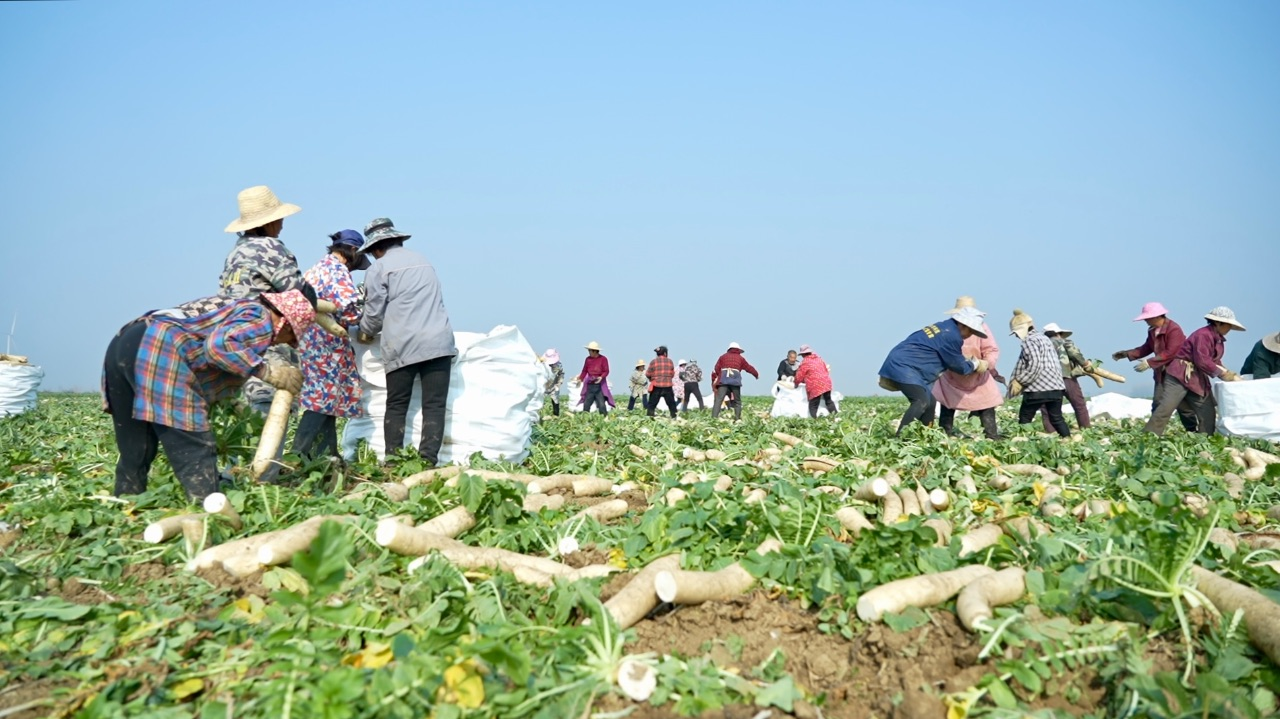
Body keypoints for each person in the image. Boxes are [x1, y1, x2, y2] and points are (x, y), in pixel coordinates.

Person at [102, 290, 313, 502]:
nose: (281, 344)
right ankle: (209, 510)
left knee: (137, 445)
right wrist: (268, 372)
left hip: (126, 342)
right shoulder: (261, 317)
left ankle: (126, 506)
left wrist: (233, 401)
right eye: (291, 338)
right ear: (285, 323)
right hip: (161, 348)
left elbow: (208, 354)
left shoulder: (237, 309)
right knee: (194, 446)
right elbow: (218, 347)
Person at [356, 218, 457, 466]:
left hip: (404, 344)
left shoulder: (378, 269)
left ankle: (393, 461)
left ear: (376, 249)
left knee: (397, 404)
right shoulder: (424, 261)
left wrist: (364, 332)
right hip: (438, 342)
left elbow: (374, 314)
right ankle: (428, 460)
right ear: (398, 239)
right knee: (434, 405)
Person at [215, 185, 313, 414]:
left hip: (239, 344)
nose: (281, 224)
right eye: (279, 219)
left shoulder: (234, 254)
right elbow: (296, 292)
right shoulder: (270, 248)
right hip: (270, 337)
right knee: (276, 407)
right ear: (268, 223)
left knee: (255, 409)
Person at [292, 231, 369, 461]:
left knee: (327, 399)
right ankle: (298, 453)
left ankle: (327, 455)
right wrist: (365, 315)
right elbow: (350, 309)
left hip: (309, 341)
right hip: (327, 343)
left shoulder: (315, 269)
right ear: (352, 252)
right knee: (322, 399)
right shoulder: (338, 271)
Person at [878, 307, 989, 436]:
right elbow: (959, 367)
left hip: (905, 363)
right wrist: (975, 364)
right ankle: (901, 438)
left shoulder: (944, 327)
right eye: (971, 331)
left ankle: (926, 437)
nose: (970, 335)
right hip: (904, 366)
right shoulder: (952, 336)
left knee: (931, 403)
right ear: (963, 325)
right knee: (921, 401)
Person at [1144, 307, 1245, 436]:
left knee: (1207, 409)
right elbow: (1202, 360)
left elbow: (1215, 361)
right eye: (1228, 325)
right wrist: (1222, 374)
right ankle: (1149, 436)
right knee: (1166, 407)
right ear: (1218, 323)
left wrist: (1230, 374)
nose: (1229, 329)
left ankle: (1205, 438)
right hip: (1179, 374)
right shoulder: (1203, 335)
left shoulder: (1218, 339)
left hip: (1196, 376)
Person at [1113, 302, 1196, 432]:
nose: (1145, 320)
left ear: (1157, 316)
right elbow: (1147, 347)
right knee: (1158, 403)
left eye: (1147, 318)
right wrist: (1127, 353)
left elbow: (1172, 352)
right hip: (1161, 372)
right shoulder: (1152, 330)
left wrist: (1149, 363)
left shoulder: (1174, 329)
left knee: (1183, 406)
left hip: (1176, 372)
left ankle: (1191, 431)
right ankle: (1154, 433)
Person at [932, 296, 1003, 440]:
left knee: (987, 404)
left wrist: (987, 363)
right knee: (947, 404)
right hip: (952, 373)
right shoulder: (948, 328)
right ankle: (944, 434)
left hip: (978, 373)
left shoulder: (982, 327)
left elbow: (991, 349)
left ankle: (991, 435)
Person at [1006, 309, 1070, 438]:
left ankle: (1024, 443)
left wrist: (1020, 380)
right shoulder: (1044, 338)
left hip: (1038, 388)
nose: (1017, 336)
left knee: (1025, 418)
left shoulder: (1030, 341)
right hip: (1056, 386)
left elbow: (1035, 365)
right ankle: (1068, 440)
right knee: (1057, 418)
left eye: (1016, 333)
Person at [1039, 322, 1097, 431]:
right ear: (1058, 333)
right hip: (1065, 376)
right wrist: (1085, 364)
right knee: (1079, 404)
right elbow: (1074, 354)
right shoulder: (1064, 342)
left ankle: (1051, 433)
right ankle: (1086, 429)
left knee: (1047, 408)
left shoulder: (1040, 346)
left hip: (1047, 380)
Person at [711, 342, 759, 421]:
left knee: (719, 400)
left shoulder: (722, 357)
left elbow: (716, 368)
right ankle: (737, 418)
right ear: (738, 350)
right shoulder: (740, 358)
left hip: (724, 380)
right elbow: (748, 367)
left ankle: (714, 418)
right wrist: (756, 374)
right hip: (735, 381)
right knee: (737, 401)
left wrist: (718, 376)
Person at [794, 345, 838, 418]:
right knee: (828, 401)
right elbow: (826, 370)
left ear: (803, 354)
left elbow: (799, 376)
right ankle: (836, 417)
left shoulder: (805, 362)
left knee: (813, 404)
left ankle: (814, 421)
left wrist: (796, 383)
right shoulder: (819, 359)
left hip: (815, 385)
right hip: (826, 382)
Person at [577, 341, 611, 414]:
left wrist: (601, 377)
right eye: (589, 350)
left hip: (599, 385)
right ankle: (585, 418)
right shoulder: (588, 359)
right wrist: (580, 379)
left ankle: (604, 419)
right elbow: (584, 371)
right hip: (590, 385)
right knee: (586, 404)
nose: (589, 352)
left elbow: (606, 371)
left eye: (590, 351)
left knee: (601, 405)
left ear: (595, 351)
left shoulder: (603, 359)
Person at [645, 346, 679, 418]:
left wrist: (651, 378)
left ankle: (650, 417)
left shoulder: (653, 362)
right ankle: (674, 417)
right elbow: (672, 374)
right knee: (671, 404)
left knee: (652, 404)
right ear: (665, 353)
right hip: (667, 386)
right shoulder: (670, 361)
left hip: (656, 386)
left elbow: (648, 373)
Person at [543, 349, 564, 415]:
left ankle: (556, 416)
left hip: (554, 386)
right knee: (539, 402)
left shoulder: (558, 365)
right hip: (543, 386)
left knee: (555, 401)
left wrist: (559, 384)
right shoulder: (542, 365)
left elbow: (561, 374)